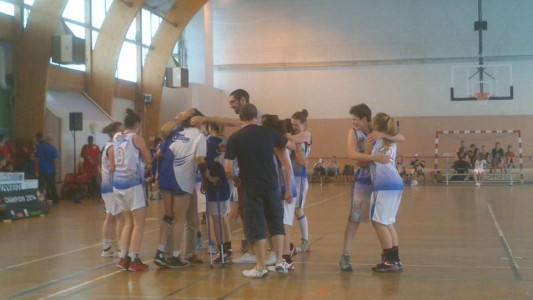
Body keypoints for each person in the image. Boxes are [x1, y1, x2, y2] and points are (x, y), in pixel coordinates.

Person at [224, 103, 293, 278]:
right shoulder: (268, 132)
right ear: (256, 116)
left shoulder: (235, 138)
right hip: (271, 183)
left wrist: (236, 180)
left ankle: (261, 266)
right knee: (276, 222)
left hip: (250, 185)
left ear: (240, 117)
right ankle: (279, 262)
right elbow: (290, 145)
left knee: (256, 225)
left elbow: (228, 168)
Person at [339, 104, 404, 272]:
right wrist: (374, 157)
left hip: (380, 181)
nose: (352, 122)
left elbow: (401, 137)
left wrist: (381, 136)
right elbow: (352, 154)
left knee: (381, 221)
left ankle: (389, 257)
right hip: (365, 180)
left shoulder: (380, 133)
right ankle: (346, 255)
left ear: (365, 119)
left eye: (355, 119)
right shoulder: (354, 133)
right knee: (356, 218)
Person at [154, 108, 208, 268]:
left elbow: (160, 152)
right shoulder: (199, 136)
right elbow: (200, 159)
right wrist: (208, 178)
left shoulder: (174, 133)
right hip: (183, 180)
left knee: (169, 216)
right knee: (179, 219)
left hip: (166, 177)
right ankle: (175, 255)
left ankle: (161, 251)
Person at [114, 109, 152, 272]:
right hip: (133, 184)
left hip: (118, 183)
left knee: (127, 222)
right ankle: (135, 259)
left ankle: (123, 257)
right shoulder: (136, 138)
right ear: (137, 125)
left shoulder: (117, 137)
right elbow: (148, 159)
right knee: (138, 223)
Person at [367, 112, 404, 273]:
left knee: (378, 222)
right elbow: (401, 137)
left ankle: (389, 260)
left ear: (376, 126)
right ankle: (395, 259)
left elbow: (365, 159)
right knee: (387, 221)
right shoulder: (390, 140)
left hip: (384, 183)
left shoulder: (379, 139)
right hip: (395, 182)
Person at [204, 121, 233, 263]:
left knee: (216, 218)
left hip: (215, 182)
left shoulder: (208, 141)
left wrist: (207, 178)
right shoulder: (228, 140)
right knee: (222, 216)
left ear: (209, 127)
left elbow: (204, 162)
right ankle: (227, 247)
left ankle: (221, 249)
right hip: (227, 183)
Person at [289, 109, 313, 253]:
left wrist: (287, 137)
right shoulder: (293, 136)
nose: (293, 127)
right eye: (292, 124)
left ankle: (305, 241)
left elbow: (293, 140)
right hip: (290, 176)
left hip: (300, 177)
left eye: (296, 125)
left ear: (304, 124)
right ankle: (288, 241)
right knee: (289, 209)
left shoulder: (307, 135)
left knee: (298, 209)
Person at [100, 122, 124, 257]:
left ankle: (107, 248)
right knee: (120, 217)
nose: (123, 134)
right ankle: (122, 248)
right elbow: (114, 168)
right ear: (114, 133)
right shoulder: (112, 147)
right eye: (121, 131)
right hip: (111, 186)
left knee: (110, 216)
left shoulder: (110, 146)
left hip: (107, 185)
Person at [36, 134, 59, 205]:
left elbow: (37, 159)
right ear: (51, 140)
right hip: (51, 171)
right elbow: (55, 160)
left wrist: (37, 169)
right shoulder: (53, 148)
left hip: (42, 170)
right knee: (52, 186)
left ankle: (41, 201)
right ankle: (55, 201)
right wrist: (56, 169)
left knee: (41, 187)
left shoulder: (39, 147)